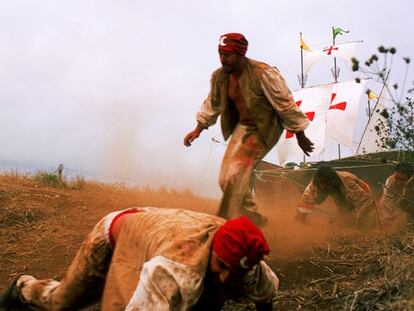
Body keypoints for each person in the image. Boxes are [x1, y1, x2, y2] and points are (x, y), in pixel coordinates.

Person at [0, 207, 279, 311]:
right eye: (222, 267)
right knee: (62, 302)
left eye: (236, 273)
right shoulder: (174, 268)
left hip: (152, 238)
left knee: (206, 296)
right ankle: (23, 287)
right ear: (212, 251)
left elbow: (266, 295)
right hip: (115, 234)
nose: (225, 278)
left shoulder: (252, 268)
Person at [184, 33, 314, 227]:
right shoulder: (219, 77)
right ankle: (254, 217)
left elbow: (285, 105)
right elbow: (212, 104)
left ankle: (229, 223)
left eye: (227, 55)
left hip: (265, 127)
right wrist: (198, 129)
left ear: (240, 54)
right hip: (243, 127)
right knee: (224, 180)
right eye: (220, 53)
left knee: (235, 176)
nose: (223, 59)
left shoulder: (264, 74)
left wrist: (300, 136)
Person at [295, 165, 376, 226]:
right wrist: (300, 218)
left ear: (333, 179)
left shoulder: (348, 181)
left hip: (364, 197)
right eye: (322, 184)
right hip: (347, 201)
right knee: (338, 223)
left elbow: (368, 203)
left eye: (326, 183)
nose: (324, 186)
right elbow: (306, 201)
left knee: (364, 222)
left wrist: (357, 222)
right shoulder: (316, 184)